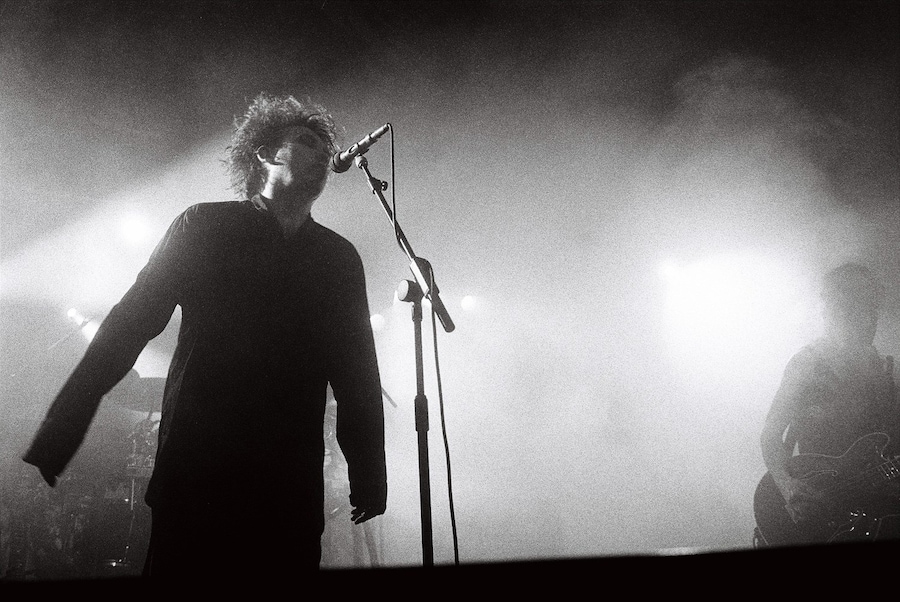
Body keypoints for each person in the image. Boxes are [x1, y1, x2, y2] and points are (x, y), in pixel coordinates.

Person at [22, 93, 388, 579]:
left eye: (326, 146)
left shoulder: (338, 259)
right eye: (306, 141)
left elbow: (357, 371)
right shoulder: (204, 226)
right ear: (264, 154)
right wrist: (64, 424)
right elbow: (130, 323)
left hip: (287, 488)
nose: (323, 153)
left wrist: (369, 471)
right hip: (198, 473)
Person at [757, 262, 899, 546]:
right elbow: (771, 435)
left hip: (875, 514)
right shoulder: (807, 364)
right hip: (816, 509)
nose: (869, 318)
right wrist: (788, 487)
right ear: (833, 308)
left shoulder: (888, 372)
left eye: (872, 307)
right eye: (857, 305)